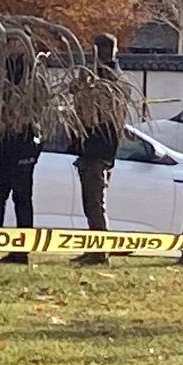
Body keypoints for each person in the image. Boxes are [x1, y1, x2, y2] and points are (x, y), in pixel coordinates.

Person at [71, 33, 124, 266]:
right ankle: (94, 248)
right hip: (92, 150)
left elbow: (93, 110)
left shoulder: (109, 79)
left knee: (94, 202)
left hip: (98, 151)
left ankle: (100, 252)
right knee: (91, 202)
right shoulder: (101, 76)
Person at [0, 38, 41, 264]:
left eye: (12, 43)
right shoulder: (2, 67)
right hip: (4, 142)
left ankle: (21, 250)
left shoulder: (31, 72)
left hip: (23, 142)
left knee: (21, 197)